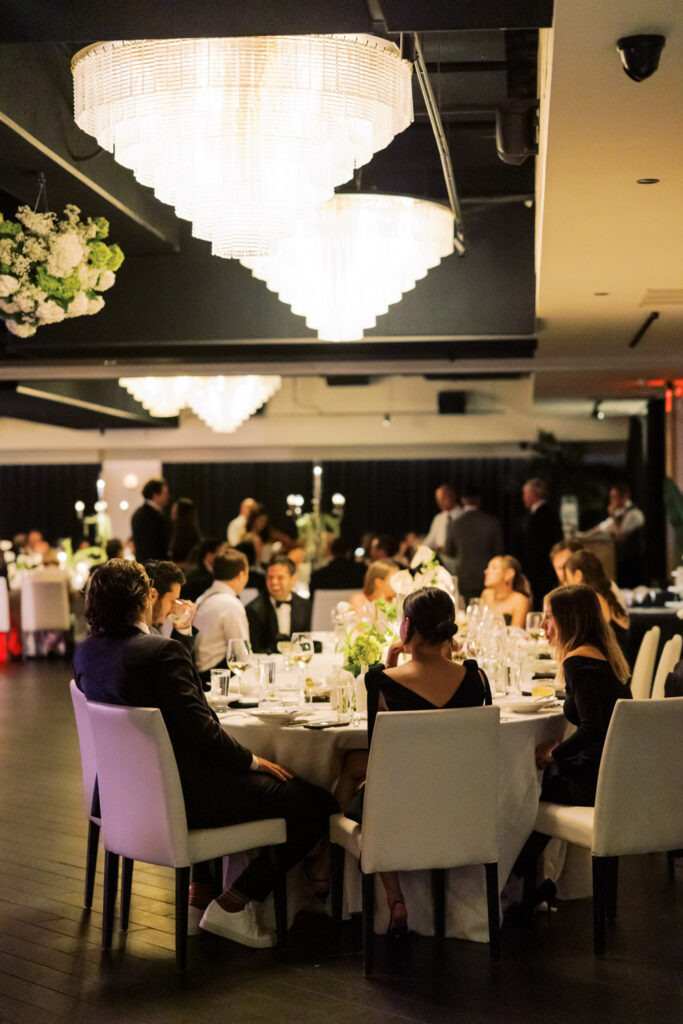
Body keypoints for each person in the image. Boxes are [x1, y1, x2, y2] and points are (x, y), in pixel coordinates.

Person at [74, 560, 337, 947]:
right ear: (141, 600)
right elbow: (204, 733)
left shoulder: (87, 653)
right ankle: (234, 904)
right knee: (316, 803)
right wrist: (254, 761)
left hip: (122, 798)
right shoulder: (161, 653)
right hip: (187, 799)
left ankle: (203, 886)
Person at [337, 587, 491, 937]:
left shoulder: (383, 680)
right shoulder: (475, 678)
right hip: (460, 804)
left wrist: (388, 669)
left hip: (401, 808)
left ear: (405, 627)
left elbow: (379, 753)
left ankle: (393, 896)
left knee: (369, 795)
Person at [513, 583, 631, 904]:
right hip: (618, 778)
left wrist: (554, 753)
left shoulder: (577, 662)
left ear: (570, 619)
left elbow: (592, 727)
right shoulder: (604, 655)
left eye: (549, 617)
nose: (543, 626)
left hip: (595, 783)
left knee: (532, 792)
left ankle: (515, 882)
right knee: (548, 784)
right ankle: (531, 882)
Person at [563, 550, 630, 664]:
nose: (565, 584)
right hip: (617, 666)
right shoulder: (607, 595)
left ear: (578, 575)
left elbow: (579, 640)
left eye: (567, 579)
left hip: (611, 671)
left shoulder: (594, 599)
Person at [193, 549, 250, 681]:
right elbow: (241, 654)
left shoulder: (203, 597)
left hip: (199, 675)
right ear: (241, 575)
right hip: (217, 678)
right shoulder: (231, 604)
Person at [445, 491, 504, 604]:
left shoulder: (454, 524)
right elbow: (499, 551)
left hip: (463, 578)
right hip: (486, 578)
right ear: (479, 500)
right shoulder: (492, 522)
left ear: (462, 500)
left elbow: (449, 551)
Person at [583, 483, 646, 587]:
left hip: (633, 560)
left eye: (614, 497)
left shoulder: (634, 514)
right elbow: (602, 527)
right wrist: (584, 535)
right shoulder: (619, 514)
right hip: (621, 560)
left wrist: (613, 515)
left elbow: (621, 534)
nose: (612, 501)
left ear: (624, 497)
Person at [245, 555, 311, 654]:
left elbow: (306, 640)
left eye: (280, 578)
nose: (274, 582)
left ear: (293, 580)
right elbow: (255, 651)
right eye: (270, 577)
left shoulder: (304, 604)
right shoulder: (254, 610)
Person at [514, 478, 563, 610]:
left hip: (540, 572)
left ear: (533, 494)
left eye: (525, 493)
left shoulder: (540, 515)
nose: (523, 497)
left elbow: (536, 547)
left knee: (541, 603)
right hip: (544, 571)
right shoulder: (550, 513)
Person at [143, 559, 197, 656]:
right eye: (172, 601)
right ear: (152, 595)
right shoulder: (138, 635)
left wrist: (183, 626)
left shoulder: (155, 628)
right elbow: (176, 667)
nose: (174, 608)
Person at [480, 555, 531, 628]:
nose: (486, 571)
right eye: (488, 568)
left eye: (494, 568)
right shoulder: (486, 594)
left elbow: (517, 634)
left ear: (508, 574)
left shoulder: (520, 600)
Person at [308, 536, 365, 600]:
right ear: (348, 552)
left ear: (331, 552)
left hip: (324, 609)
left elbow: (312, 601)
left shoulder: (317, 576)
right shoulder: (361, 572)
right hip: (353, 608)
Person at [131, 478, 170, 562]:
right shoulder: (152, 515)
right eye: (165, 494)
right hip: (154, 565)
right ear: (155, 495)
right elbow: (153, 545)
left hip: (142, 562)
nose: (168, 497)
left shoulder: (138, 512)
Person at [423, 484, 461, 572]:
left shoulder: (464, 518)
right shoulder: (438, 519)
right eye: (438, 500)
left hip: (460, 566)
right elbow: (428, 542)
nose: (440, 502)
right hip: (442, 566)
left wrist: (445, 549)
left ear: (453, 496)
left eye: (443, 498)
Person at [181, 537, 222, 601]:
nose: (218, 556)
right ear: (207, 554)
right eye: (216, 552)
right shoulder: (199, 576)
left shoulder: (205, 573)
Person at [169, 497, 201, 569]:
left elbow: (191, 562)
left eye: (175, 509)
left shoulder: (189, 534)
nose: (172, 511)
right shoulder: (176, 531)